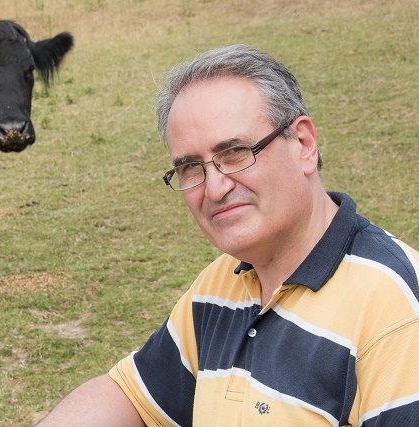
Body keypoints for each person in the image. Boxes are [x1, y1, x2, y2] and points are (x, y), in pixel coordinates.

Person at [37, 45, 419, 426]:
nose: (215, 187)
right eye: (189, 167)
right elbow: (133, 398)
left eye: (235, 152)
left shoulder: (396, 311)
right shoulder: (222, 284)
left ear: (303, 144)